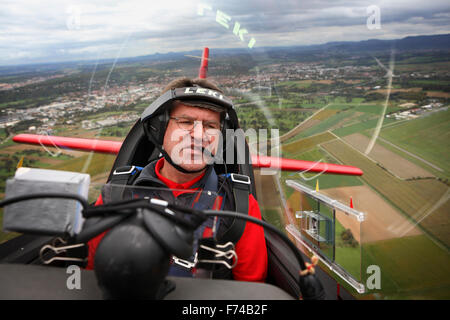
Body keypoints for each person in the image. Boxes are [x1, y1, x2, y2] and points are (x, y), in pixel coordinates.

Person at [86, 77, 267, 282]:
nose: (199, 135)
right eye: (186, 122)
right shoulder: (117, 193)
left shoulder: (240, 205)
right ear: (160, 129)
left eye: (210, 126)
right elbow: (92, 279)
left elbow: (253, 291)